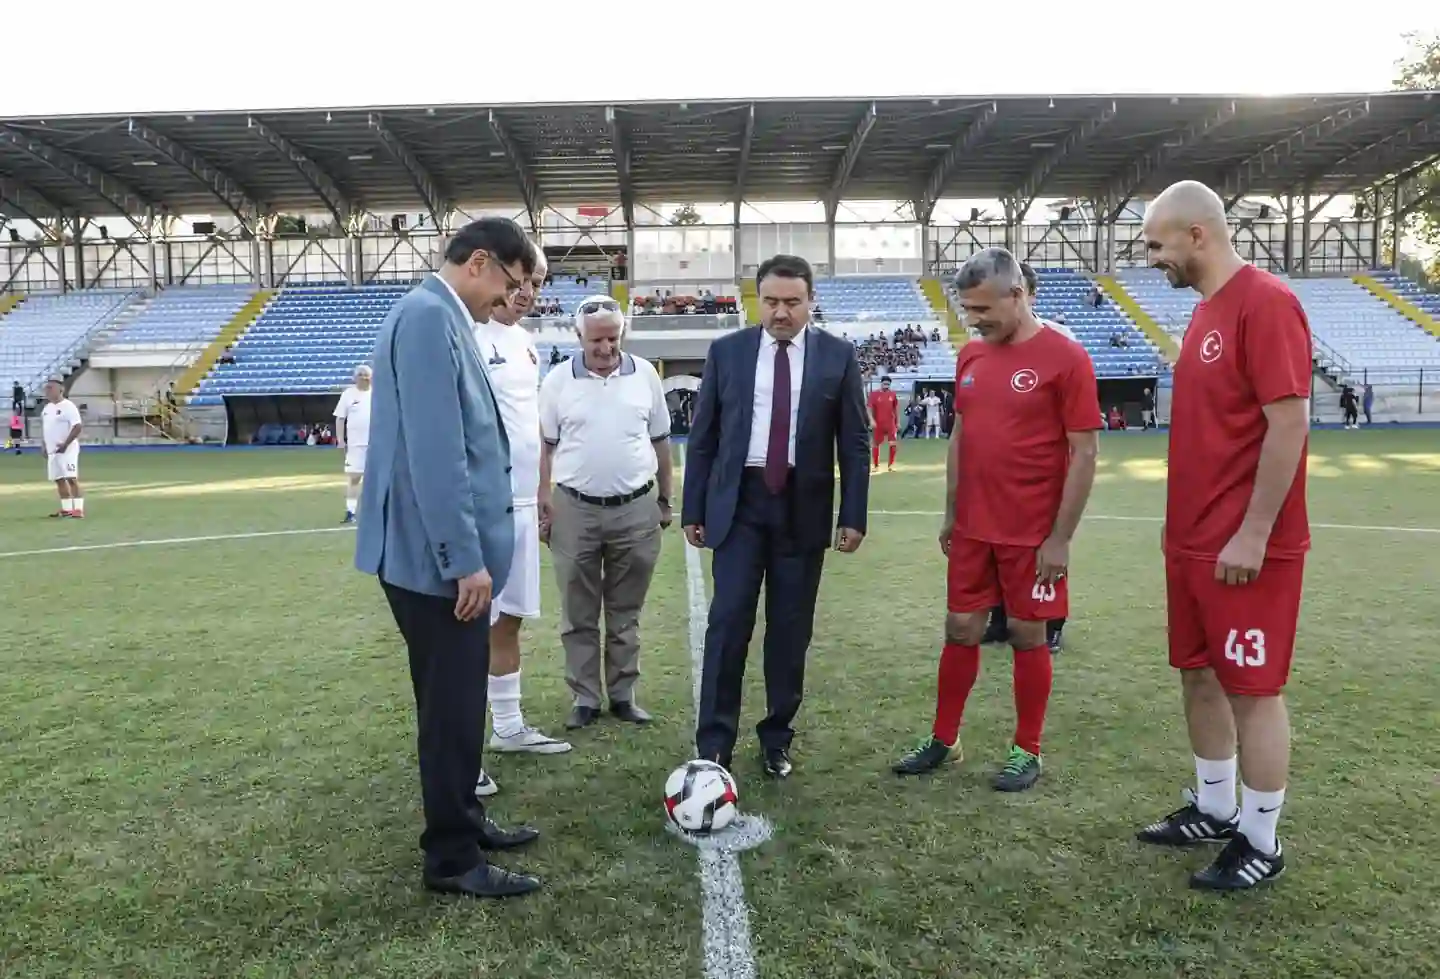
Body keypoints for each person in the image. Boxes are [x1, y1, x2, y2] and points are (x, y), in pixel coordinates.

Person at [353, 217, 542, 900]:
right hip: (436, 564)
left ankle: (467, 820)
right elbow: (436, 453)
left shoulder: (437, 313)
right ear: (481, 261)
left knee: (456, 704)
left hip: (433, 556)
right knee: (453, 710)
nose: (511, 299)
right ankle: (453, 857)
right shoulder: (430, 317)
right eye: (512, 283)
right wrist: (464, 559)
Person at [1134, 180, 1311, 891]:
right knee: (1199, 673)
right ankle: (1214, 806)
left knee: (1253, 689)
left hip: (1245, 546)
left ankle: (1261, 839)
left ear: (1196, 235)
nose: (1150, 259)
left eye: (1155, 244)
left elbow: (1290, 420)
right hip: (1194, 540)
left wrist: (1254, 532)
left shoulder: (1265, 302)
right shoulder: (1208, 310)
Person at [893, 247, 1099, 791]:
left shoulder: (1066, 358)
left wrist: (1060, 538)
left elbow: (1085, 453)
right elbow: (962, 436)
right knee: (960, 626)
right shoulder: (971, 357)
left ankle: (1026, 749)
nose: (974, 320)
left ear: (1018, 294)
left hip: (1032, 532)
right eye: (966, 310)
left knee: (1029, 635)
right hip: (973, 527)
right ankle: (944, 739)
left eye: (983, 309)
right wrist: (951, 511)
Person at [683, 254, 870, 778]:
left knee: (790, 631)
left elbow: (855, 442)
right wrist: (693, 508)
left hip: (802, 508)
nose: (781, 312)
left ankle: (776, 737)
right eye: (771, 301)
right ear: (757, 300)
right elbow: (704, 440)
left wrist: (853, 513)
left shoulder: (839, 356)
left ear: (811, 301)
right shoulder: (727, 352)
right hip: (739, 504)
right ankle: (714, 743)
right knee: (728, 623)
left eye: (792, 302)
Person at [538, 295, 673, 731]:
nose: (606, 347)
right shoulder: (558, 380)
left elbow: (661, 441)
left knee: (625, 611)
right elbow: (546, 445)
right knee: (578, 612)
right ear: (579, 337)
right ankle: (584, 698)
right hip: (574, 509)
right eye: (597, 339)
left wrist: (665, 499)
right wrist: (545, 498)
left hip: (635, 508)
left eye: (613, 337)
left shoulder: (646, 375)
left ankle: (622, 694)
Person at [470, 246, 571, 801]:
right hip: (483, 506)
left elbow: (528, 426)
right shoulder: (466, 334)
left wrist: (540, 489)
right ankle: (463, 754)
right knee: (466, 630)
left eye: (539, 282)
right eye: (524, 278)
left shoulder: (526, 343)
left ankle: (508, 728)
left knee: (509, 619)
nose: (530, 290)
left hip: (523, 505)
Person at [983, 261, 1079, 653]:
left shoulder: (1060, 340)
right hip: (997, 473)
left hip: (1043, 472)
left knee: (1046, 549)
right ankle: (1001, 618)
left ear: (1028, 294)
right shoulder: (989, 345)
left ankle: (1051, 623)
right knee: (994, 546)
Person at [332, 364, 372, 523]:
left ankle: (377, 512)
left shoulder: (379, 393)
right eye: (360, 374)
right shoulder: (348, 394)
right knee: (354, 478)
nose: (364, 377)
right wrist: (341, 440)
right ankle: (351, 512)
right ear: (355, 378)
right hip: (356, 445)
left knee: (380, 479)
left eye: (367, 374)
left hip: (377, 444)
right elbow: (340, 418)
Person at [40, 378, 84, 518]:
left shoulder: (68, 406)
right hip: (53, 451)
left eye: (51, 388)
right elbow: (46, 429)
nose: (48, 391)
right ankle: (66, 509)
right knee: (58, 479)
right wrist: (44, 445)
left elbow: (77, 427)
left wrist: (65, 445)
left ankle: (78, 509)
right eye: (46, 388)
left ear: (61, 390)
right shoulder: (47, 408)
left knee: (71, 478)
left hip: (67, 449)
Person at [867, 375, 900, 472]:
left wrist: (897, 422)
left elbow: (895, 409)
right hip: (878, 423)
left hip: (890, 423)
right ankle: (876, 465)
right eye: (884, 384)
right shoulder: (874, 394)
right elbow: (869, 408)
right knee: (876, 444)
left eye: (888, 384)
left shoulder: (893, 394)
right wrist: (871, 420)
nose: (886, 386)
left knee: (893, 444)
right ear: (881, 383)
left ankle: (891, 465)